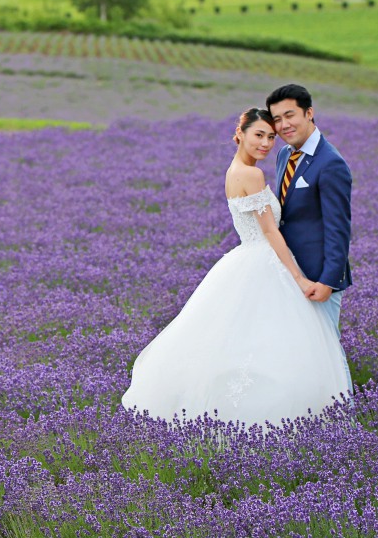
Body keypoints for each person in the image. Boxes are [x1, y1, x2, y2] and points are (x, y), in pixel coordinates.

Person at [121, 108, 351, 428]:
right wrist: (298, 277)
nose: (266, 143)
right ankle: (273, 417)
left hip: (246, 258)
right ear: (240, 133)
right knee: (277, 343)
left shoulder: (235, 170)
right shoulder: (252, 175)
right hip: (265, 261)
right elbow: (270, 232)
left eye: (271, 137)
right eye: (259, 135)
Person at [266, 84, 352, 336]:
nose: (283, 125)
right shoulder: (284, 154)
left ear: (309, 113)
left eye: (290, 115)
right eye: (277, 119)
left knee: (326, 351)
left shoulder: (331, 162)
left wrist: (328, 281)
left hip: (317, 277)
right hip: (289, 272)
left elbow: (338, 229)